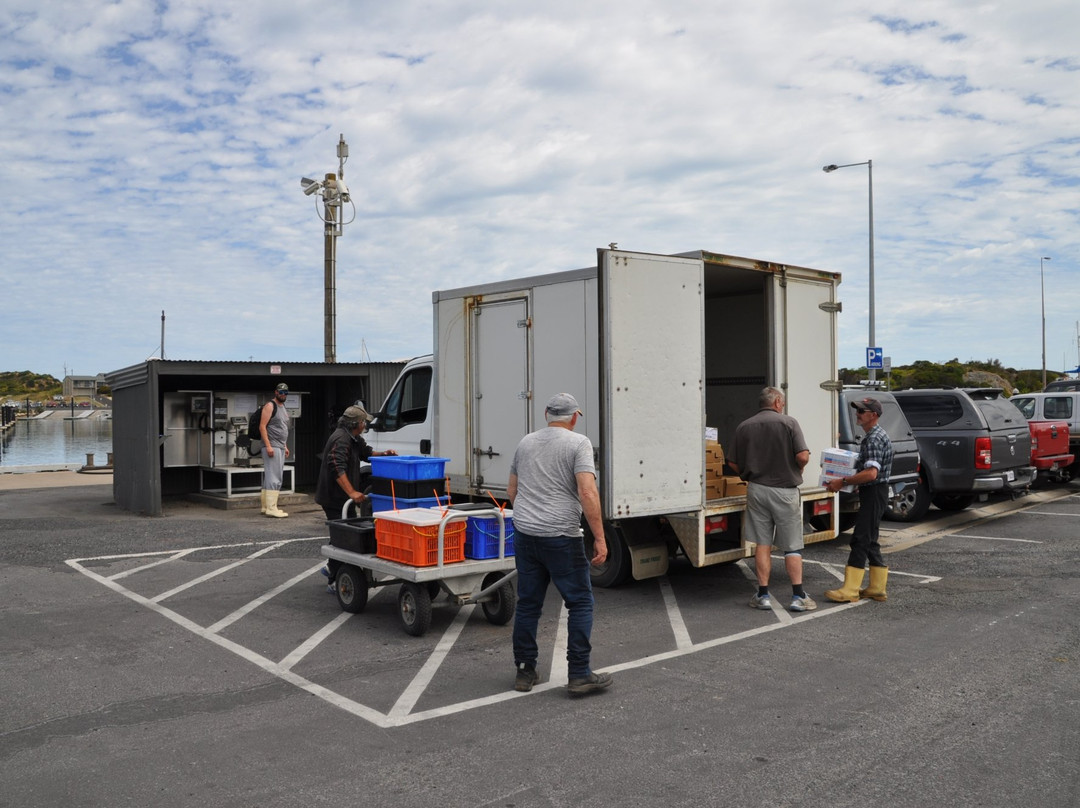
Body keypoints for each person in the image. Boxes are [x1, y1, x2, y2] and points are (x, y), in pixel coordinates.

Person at [507, 393, 613, 697]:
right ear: (574, 417)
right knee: (580, 602)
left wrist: (530, 516)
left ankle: (525, 671)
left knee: (528, 603)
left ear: (546, 414)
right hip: (561, 536)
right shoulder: (578, 443)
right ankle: (579, 673)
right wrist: (601, 538)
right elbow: (588, 493)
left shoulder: (525, 442)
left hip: (526, 534)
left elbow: (512, 490)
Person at [728, 387, 816, 613]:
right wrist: (799, 468)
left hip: (757, 490)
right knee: (792, 545)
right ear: (777, 402)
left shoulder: (744, 426)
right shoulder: (789, 423)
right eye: (782, 403)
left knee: (762, 544)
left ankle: (763, 595)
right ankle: (798, 596)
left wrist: (746, 475)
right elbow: (803, 455)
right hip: (785, 491)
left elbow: (732, 462)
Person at [824, 397, 894, 602]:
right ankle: (877, 587)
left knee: (860, 539)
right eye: (857, 411)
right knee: (870, 539)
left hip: (874, 492)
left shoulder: (873, 439)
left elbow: (871, 473)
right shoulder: (876, 435)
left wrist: (843, 481)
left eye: (862, 411)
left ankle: (850, 590)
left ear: (874, 415)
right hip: (876, 492)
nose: (857, 414)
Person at [314, 404, 396, 521]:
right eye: (363, 422)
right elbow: (336, 466)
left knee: (348, 532)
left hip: (344, 498)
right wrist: (352, 492)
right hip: (334, 499)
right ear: (356, 424)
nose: (364, 425)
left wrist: (384, 454)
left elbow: (366, 452)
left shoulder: (354, 437)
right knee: (343, 533)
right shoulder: (342, 439)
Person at [259, 383, 292, 518]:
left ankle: (266, 506)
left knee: (270, 476)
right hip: (272, 445)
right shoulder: (270, 406)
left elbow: (282, 427)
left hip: (279, 445)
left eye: (285, 392)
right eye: (281, 392)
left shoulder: (282, 407)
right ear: (276, 392)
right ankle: (272, 508)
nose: (283, 394)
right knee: (275, 477)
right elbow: (262, 426)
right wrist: (268, 445)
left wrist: (285, 446)